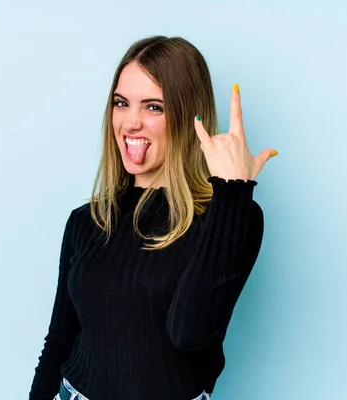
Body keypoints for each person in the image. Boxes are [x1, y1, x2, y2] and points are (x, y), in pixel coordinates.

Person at [29, 35, 277, 400]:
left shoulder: (231, 217)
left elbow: (190, 332)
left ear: (187, 116)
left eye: (153, 107)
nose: (131, 122)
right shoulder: (86, 221)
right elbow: (59, 341)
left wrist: (233, 191)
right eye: (121, 103)